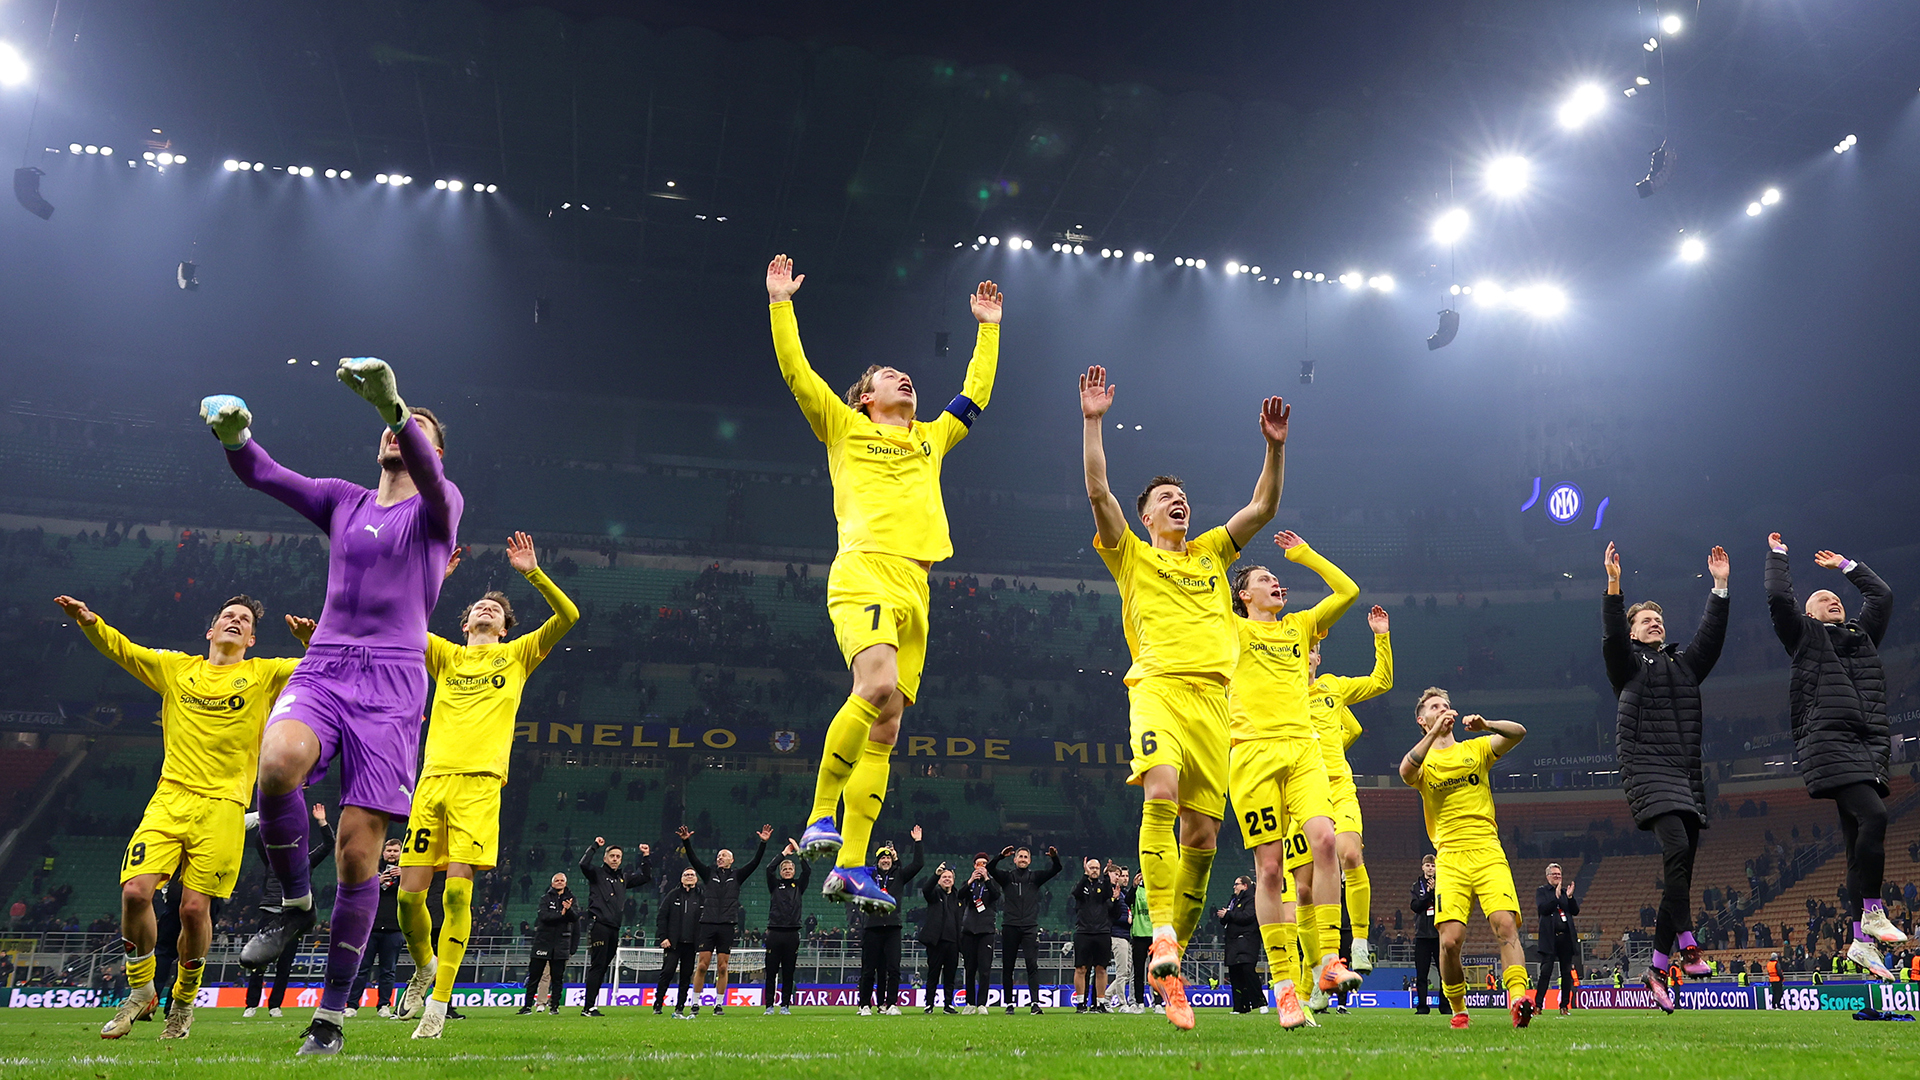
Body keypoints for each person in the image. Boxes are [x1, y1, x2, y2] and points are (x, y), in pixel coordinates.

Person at [204, 360, 461, 1057]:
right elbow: (267, 475)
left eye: (415, 434)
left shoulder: (439, 511)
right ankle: (293, 902)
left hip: (394, 686)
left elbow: (434, 481)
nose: (397, 437)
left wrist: (398, 409)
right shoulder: (344, 500)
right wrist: (236, 436)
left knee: (355, 858)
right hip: (326, 666)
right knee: (278, 762)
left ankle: (332, 1016)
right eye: (393, 428)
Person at [767, 255, 1004, 918]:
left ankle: (851, 866)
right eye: (887, 376)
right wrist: (782, 303)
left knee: (888, 726)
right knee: (872, 689)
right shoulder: (844, 429)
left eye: (908, 376)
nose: (906, 377)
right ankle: (819, 817)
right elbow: (796, 373)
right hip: (866, 567)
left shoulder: (930, 440)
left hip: (918, 587)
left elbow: (974, 398)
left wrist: (987, 329)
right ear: (865, 398)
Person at [1079, 362, 1291, 1030]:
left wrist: (1274, 447)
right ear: (1145, 516)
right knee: (1160, 793)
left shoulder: (1208, 555)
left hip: (1214, 707)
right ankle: (1162, 933)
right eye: (1165, 496)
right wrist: (1093, 422)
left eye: (1182, 494)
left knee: (1201, 841)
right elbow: (1097, 492)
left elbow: (1262, 508)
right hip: (1158, 692)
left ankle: (1170, 964)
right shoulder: (1131, 556)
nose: (1178, 500)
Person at [60, 592, 306, 1041]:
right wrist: (90, 622)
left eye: (244, 619)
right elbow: (126, 652)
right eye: (227, 616)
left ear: (251, 638)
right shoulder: (177, 669)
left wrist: (310, 642)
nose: (235, 621)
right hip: (170, 798)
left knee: (195, 909)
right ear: (210, 631)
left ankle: (184, 1001)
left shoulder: (264, 674)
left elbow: (324, 670)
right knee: (135, 892)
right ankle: (140, 989)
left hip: (224, 807)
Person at [400, 531, 580, 1037]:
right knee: (409, 900)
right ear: (465, 623)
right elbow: (402, 616)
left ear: (504, 629)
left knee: (456, 897)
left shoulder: (518, 656)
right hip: (432, 782)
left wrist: (533, 574)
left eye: (495, 610)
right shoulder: (446, 656)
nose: (486, 610)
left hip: (478, 786)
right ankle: (425, 968)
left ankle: (437, 1006)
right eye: (479, 607)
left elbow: (568, 619)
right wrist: (438, 576)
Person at [1225, 538, 1364, 1025]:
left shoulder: (1301, 627)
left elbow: (1348, 591)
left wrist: (1304, 555)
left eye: (1275, 578)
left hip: (1303, 751)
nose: (1274, 583)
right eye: (1263, 579)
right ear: (1243, 594)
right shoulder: (1232, 630)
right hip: (1253, 756)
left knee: (1325, 839)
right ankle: (1283, 985)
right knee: (1269, 870)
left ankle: (1328, 959)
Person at [1765, 534, 1908, 978]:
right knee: (1876, 817)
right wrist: (1779, 558)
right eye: (1823, 599)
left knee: (1854, 846)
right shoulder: (1804, 635)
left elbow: (1881, 594)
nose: (1833, 601)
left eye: (1836, 598)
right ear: (1808, 614)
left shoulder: (1860, 636)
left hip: (1867, 745)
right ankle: (1871, 911)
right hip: (1829, 741)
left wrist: (1847, 566)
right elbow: (1777, 597)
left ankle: (1861, 944)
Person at [1603, 541, 1729, 1012]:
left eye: (1658, 618)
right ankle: (1689, 944)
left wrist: (1719, 587)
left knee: (1680, 872)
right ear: (1634, 633)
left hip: (1685, 776)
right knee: (1675, 850)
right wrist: (1615, 589)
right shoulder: (1628, 666)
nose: (1655, 622)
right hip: (1648, 773)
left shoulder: (1683, 665)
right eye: (1645, 620)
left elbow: (1710, 639)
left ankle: (1656, 968)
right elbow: (1612, 638)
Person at [1399, 687, 1532, 1029]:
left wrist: (1487, 724)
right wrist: (1432, 735)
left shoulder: (1475, 749)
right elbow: (1405, 772)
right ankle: (1458, 1008)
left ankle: (1518, 999)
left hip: (1487, 848)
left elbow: (1518, 733)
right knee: (1450, 940)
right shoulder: (1424, 761)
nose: (1443, 709)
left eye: (1446, 705)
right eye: (1434, 707)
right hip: (1450, 857)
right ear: (1422, 719)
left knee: (1505, 924)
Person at [1304, 605, 1394, 976]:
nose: (1304, 655)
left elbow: (1380, 682)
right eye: (1299, 648)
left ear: (1317, 657)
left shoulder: (1332, 687)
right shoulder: (1275, 692)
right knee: (1304, 890)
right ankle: (1318, 970)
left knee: (1350, 855)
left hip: (1338, 787)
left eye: (1310, 649)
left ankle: (1358, 943)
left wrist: (1381, 636)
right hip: (1297, 791)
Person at [242, 805, 337, 1019]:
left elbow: (328, 844)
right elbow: (259, 840)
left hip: (293, 917)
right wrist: (267, 821)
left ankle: (275, 1005)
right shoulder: (272, 860)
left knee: (285, 963)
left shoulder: (307, 861)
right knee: (259, 961)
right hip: (270, 912)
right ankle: (251, 1005)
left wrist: (322, 822)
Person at [678, 823, 771, 1015]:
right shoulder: (708, 874)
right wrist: (686, 842)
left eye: (724, 856)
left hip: (727, 925)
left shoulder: (737, 876)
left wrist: (763, 843)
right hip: (708, 923)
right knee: (702, 965)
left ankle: (718, 1004)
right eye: (718, 856)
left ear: (731, 860)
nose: (720, 858)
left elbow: (755, 862)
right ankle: (695, 1003)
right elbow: (694, 860)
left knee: (723, 967)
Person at [578, 837, 653, 1016]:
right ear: (605, 858)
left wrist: (646, 856)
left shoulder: (622, 878)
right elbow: (583, 864)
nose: (615, 859)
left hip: (614, 928)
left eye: (618, 856)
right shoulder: (596, 873)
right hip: (600, 925)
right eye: (611, 856)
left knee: (603, 966)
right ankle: (588, 1007)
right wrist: (595, 846)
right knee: (598, 965)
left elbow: (646, 877)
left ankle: (591, 1005)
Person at [856, 828, 923, 1014]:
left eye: (888, 858)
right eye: (881, 858)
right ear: (877, 861)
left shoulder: (899, 876)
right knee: (869, 970)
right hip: (872, 927)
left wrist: (918, 842)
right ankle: (864, 1005)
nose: (885, 860)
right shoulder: (869, 876)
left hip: (893, 928)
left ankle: (891, 1004)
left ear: (892, 860)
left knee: (894, 968)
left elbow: (918, 864)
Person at [990, 844, 1060, 1014]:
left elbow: (1057, 868)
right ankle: (1009, 1004)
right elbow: (990, 868)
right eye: (1020, 857)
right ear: (1014, 860)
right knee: (1008, 966)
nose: (1022, 859)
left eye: (1025, 857)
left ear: (1030, 860)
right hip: (1010, 926)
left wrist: (1054, 857)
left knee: (1032, 965)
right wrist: (1000, 855)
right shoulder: (1007, 878)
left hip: (1029, 926)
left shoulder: (1035, 877)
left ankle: (1035, 1003)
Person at [346, 838, 405, 1018]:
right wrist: (376, 882)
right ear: (383, 852)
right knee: (361, 968)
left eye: (396, 851)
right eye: (389, 851)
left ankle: (384, 1005)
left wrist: (405, 876)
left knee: (388, 970)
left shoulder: (408, 872)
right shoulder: (371, 870)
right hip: (369, 927)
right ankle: (352, 1005)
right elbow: (357, 891)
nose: (392, 854)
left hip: (394, 928)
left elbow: (417, 891)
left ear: (401, 852)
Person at [520, 872, 579, 1015]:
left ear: (565, 883)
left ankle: (554, 1007)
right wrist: (562, 914)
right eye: (556, 880)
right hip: (543, 942)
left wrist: (568, 910)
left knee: (558, 978)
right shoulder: (545, 899)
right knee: (535, 975)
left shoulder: (572, 900)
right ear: (552, 883)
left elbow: (575, 918)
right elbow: (544, 917)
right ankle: (527, 1006)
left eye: (562, 880)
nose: (559, 882)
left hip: (561, 944)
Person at [764, 840, 811, 1015]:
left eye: (790, 869)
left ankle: (785, 1005)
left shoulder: (799, 886)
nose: (787, 871)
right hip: (775, 932)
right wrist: (783, 854)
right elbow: (769, 869)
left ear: (794, 871)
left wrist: (799, 853)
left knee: (789, 972)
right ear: (781, 872)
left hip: (792, 933)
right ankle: (769, 1006)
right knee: (771, 971)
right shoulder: (774, 884)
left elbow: (808, 870)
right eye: (784, 869)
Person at [655, 868, 704, 1019]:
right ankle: (658, 1004)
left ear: (696, 879)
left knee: (685, 977)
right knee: (667, 973)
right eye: (686, 875)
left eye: (692, 875)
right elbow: (662, 917)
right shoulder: (672, 895)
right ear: (681, 879)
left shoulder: (702, 897)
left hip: (691, 945)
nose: (689, 877)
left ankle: (680, 1007)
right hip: (673, 943)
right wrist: (663, 937)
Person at [1533, 864, 1580, 1017]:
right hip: (1550, 938)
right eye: (1554, 874)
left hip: (1566, 938)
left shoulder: (1566, 893)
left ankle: (1564, 1006)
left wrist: (1570, 897)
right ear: (1547, 876)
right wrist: (1556, 897)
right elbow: (1543, 909)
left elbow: (1575, 911)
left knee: (1566, 973)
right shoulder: (1542, 892)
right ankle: (1538, 1005)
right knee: (1545, 972)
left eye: (1559, 874)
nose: (1557, 876)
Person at [957, 854, 1001, 1013]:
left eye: (984, 864)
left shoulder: (992, 883)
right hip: (969, 930)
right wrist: (970, 881)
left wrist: (987, 879)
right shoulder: (969, 884)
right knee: (969, 969)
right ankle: (969, 1003)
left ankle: (982, 1004)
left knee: (985, 969)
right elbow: (959, 896)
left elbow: (997, 896)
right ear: (974, 866)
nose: (981, 866)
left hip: (986, 931)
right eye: (978, 864)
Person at [1070, 857, 1114, 1013]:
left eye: (1096, 868)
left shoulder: (1104, 885)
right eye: (1091, 867)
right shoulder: (1081, 885)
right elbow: (1075, 893)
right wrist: (1084, 876)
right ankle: (1081, 1003)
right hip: (1083, 932)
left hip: (1102, 932)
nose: (1094, 870)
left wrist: (1107, 876)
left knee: (1101, 969)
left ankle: (1100, 1002)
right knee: (1080, 968)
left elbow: (1109, 895)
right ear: (1086, 869)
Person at [918, 865, 964, 1014]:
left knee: (950, 976)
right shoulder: (934, 894)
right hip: (936, 942)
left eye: (949, 877)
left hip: (953, 943)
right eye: (944, 877)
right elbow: (926, 890)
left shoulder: (957, 897)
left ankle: (948, 1005)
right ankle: (929, 1004)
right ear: (939, 880)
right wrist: (934, 874)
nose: (947, 879)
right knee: (933, 974)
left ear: (953, 880)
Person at [1217, 878, 1262, 1013]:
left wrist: (1229, 914)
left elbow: (1248, 916)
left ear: (1245, 886)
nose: (1234, 887)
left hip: (1247, 941)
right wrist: (1224, 916)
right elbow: (1228, 918)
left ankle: (1260, 1002)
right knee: (1235, 974)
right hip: (1233, 942)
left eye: (1236, 884)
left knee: (1248, 971)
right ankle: (1240, 1007)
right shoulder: (1234, 900)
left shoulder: (1252, 899)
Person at [1411, 855, 1439, 1015]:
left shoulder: (1443, 884)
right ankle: (1422, 1007)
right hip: (1422, 935)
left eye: (1433, 866)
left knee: (1444, 973)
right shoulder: (1416, 886)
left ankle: (1445, 1006)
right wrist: (1428, 893)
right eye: (1428, 865)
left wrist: (1435, 891)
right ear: (1422, 867)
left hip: (1438, 935)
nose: (1430, 869)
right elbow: (1415, 906)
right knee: (1421, 974)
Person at [1106, 864, 1134, 1010]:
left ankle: (1107, 996)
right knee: (1122, 972)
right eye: (1122, 875)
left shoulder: (1125, 894)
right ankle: (1123, 1003)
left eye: (1126, 876)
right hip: (1117, 935)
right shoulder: (1114, 893)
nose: (1124, 878)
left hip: (1126, 937)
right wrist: (1128, 920)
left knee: (1126, 972)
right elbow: (1111, 916)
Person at [1128, 869, 1155, 1013]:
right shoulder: (1136, 890)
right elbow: (1127, 901)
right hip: (1139, 935)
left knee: (1156, 972)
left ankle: (1157, 1003)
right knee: (1138, 972)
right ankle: (1139, 1003)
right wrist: (1133, 886)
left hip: (1154, 935)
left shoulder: (1156, 891)